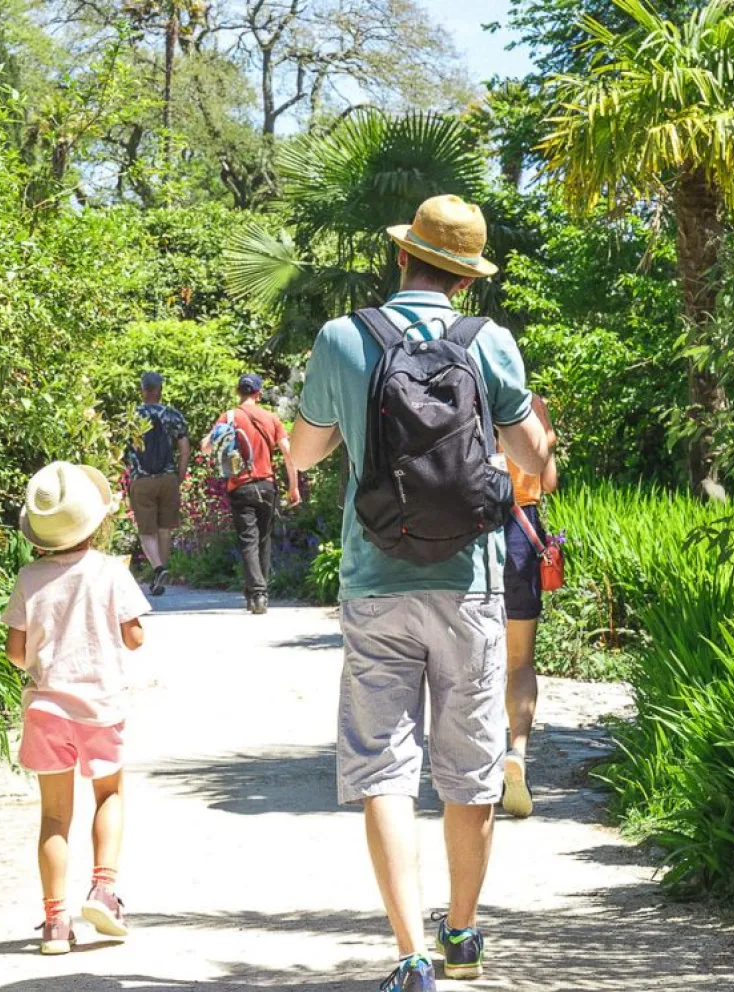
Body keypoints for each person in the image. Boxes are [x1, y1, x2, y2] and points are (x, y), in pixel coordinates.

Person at [289, 195, 550, 991]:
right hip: (469, 584)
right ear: (466, 280)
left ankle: (409, 957)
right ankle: (462, 936)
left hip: (375, 583)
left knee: (383, 767)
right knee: (469, 771)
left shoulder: (345, 336)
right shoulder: (489, 342)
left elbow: (304, 449)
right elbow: (533, 457)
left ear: (401, 256)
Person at [2, 461, 150, 955]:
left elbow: (16, 653)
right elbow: (134, 637)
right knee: (108, 794)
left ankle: (54, 924)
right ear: (95, 523)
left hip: (46, 708)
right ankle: (104, 890)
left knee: (53, 817)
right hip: (100, 708)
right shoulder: (110, 571)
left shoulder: (29, 577)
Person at [501, 396, 558, 819]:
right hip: (522, 533)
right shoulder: (531, 405)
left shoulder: (457, 392)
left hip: (468, 535)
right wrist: (548, 436)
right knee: (520, 662)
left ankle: (472, 764)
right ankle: (516, 750)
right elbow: (548, 480)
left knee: (469, 659)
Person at [202, 373, 301, 615]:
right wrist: (293, 486)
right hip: (267, 486)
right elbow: (288, 453)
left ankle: (256, 593)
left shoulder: (230, 417)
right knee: (264, 539)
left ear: (239, 392)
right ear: (257, 393)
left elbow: (205, 446)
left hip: (240, 486)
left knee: (248, 541)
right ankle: (260, 594)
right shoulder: (271, 418)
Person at [126, 372, 191, 597]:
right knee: (164, 529)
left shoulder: (131, 417)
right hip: (168, 479)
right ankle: (160, 578)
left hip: (141, 480)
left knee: (146, 532)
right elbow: (184, 449)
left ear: (142, 390)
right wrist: (179, 476)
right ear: (160, 390)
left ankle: (158, 569)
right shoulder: (173, 415)